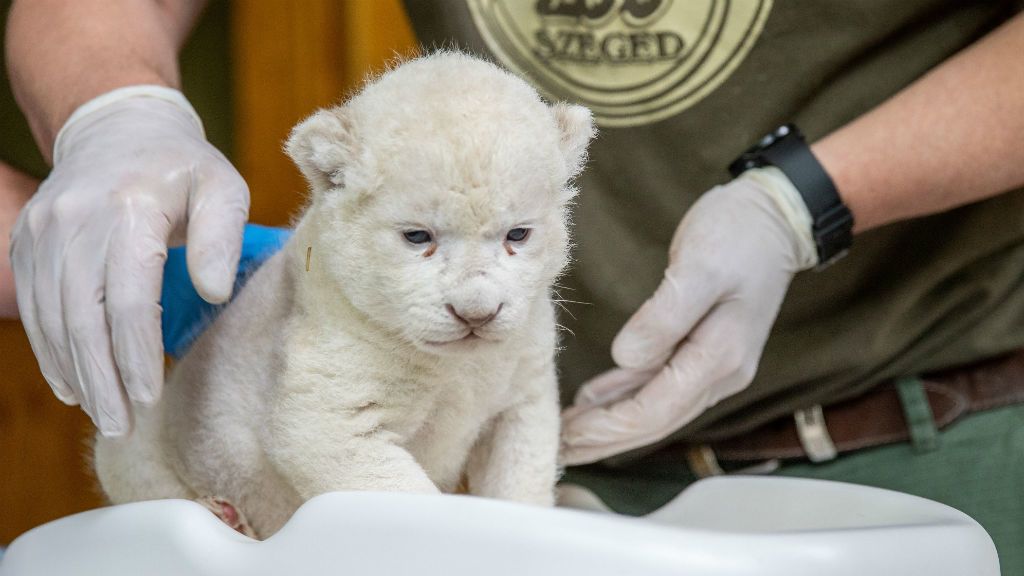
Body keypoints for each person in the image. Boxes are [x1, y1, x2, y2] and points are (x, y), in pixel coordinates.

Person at [5, 0, 1024, 569]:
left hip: (935, 422)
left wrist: (803, 202)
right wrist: (116, 109)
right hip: (566, 496)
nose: (480, 296)